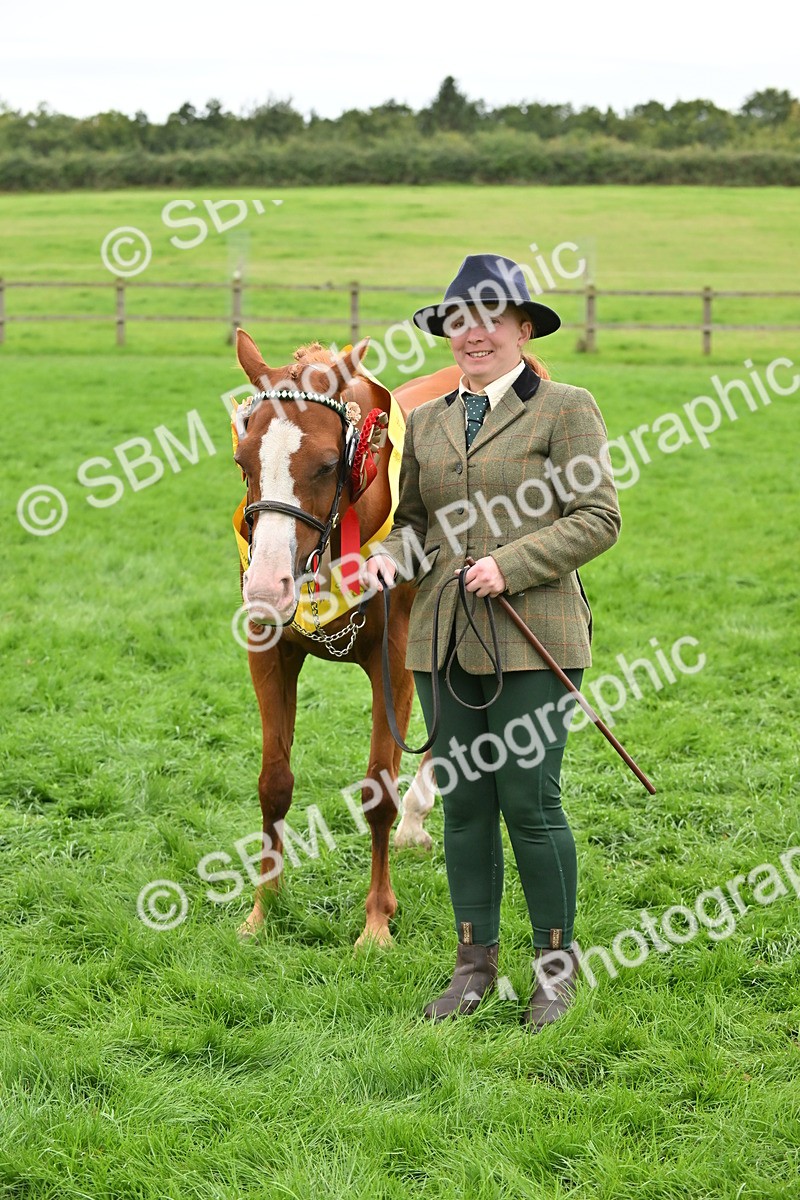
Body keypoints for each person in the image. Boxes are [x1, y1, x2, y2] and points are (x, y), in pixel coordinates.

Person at [362, 253, 621, 1029]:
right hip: (441, 638)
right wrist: (385, 558)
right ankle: (472, 966)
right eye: (459, 322)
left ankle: (554, 970)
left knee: (531, 804)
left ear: (521, 328)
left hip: (533, 637)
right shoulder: (431, 421)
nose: (474, 335)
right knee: (466, 806)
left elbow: (598, 517)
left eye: (490, 320)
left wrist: (510, 564)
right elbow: (416, 528)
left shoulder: (566, 407)